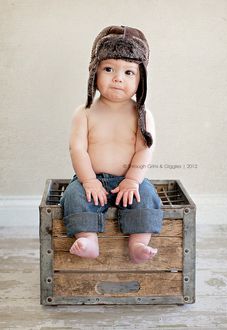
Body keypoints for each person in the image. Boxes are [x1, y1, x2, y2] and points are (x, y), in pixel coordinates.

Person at [60, 25, 163, 264]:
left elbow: (144, 150)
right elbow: (78, 149)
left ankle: (138, 243)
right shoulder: (84, 112)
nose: (118, 78)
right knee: (74, 196)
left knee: (147, 195)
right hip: (91, 180)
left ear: (141, 80)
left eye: (129, 73)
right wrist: (89, 181)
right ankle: (88, 240)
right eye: (108, 69)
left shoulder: (142, 114)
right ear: (94, 73)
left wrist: (132, 181)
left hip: (128, 182)